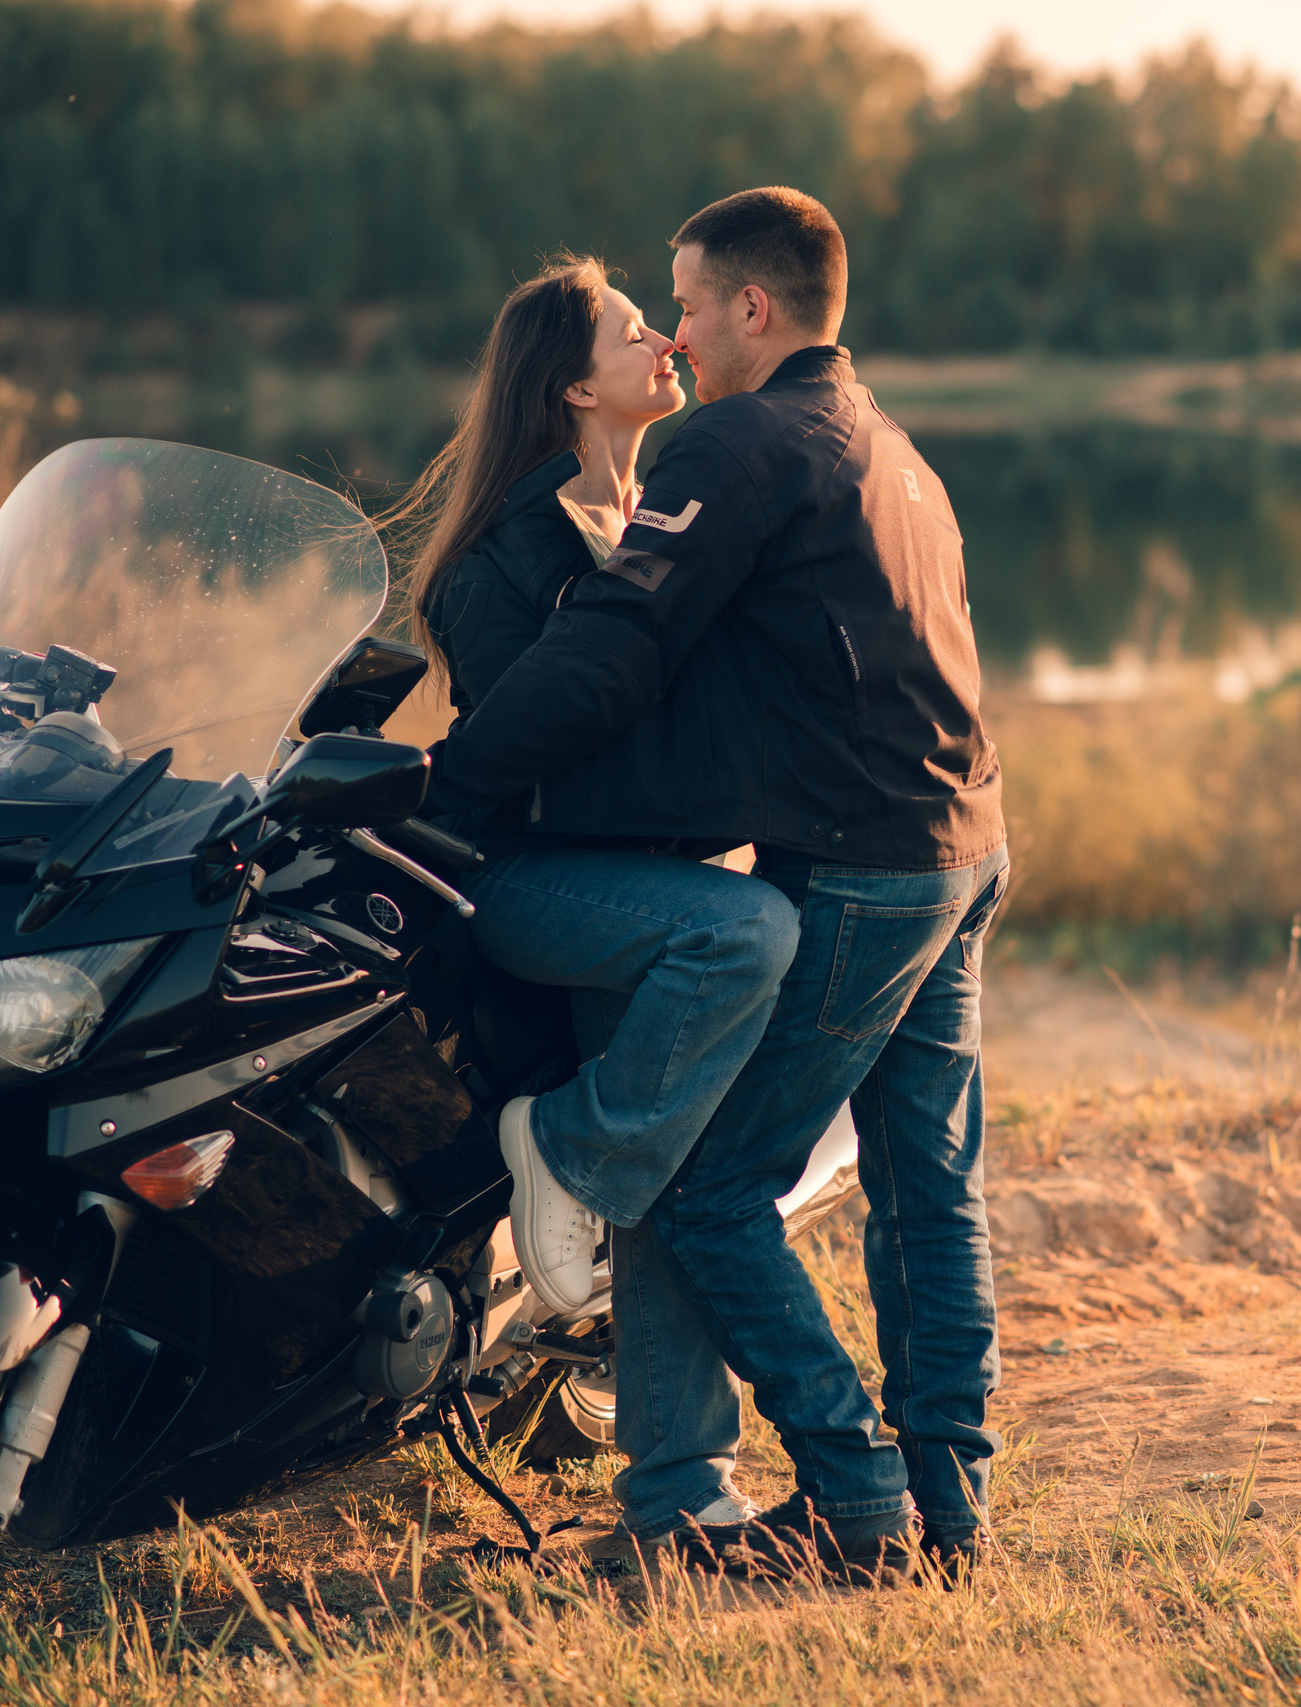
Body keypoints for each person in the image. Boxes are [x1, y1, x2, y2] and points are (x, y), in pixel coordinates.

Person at [422, 188, 1006, 1579]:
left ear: (755, 307)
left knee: (706, 1194)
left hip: (863, 871)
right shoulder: (891, 448)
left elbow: (616, 655)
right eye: (653, 314)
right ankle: (950, 1511)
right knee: (930, 1185)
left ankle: (858, 1498)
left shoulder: (740, 442)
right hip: (962, 847)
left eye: (683, 300)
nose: (677, 332)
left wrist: (450, 792)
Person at [387, 253, 799, 1536]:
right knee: (732, 972)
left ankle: (678, 1490)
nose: (665, 345)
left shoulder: (659, 520)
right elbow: (533, 761)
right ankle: (559, 1149)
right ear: (571, 386)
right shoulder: (498, 562)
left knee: (670, 1169)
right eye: (636, 331)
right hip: (543, 884)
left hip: (657, 881)